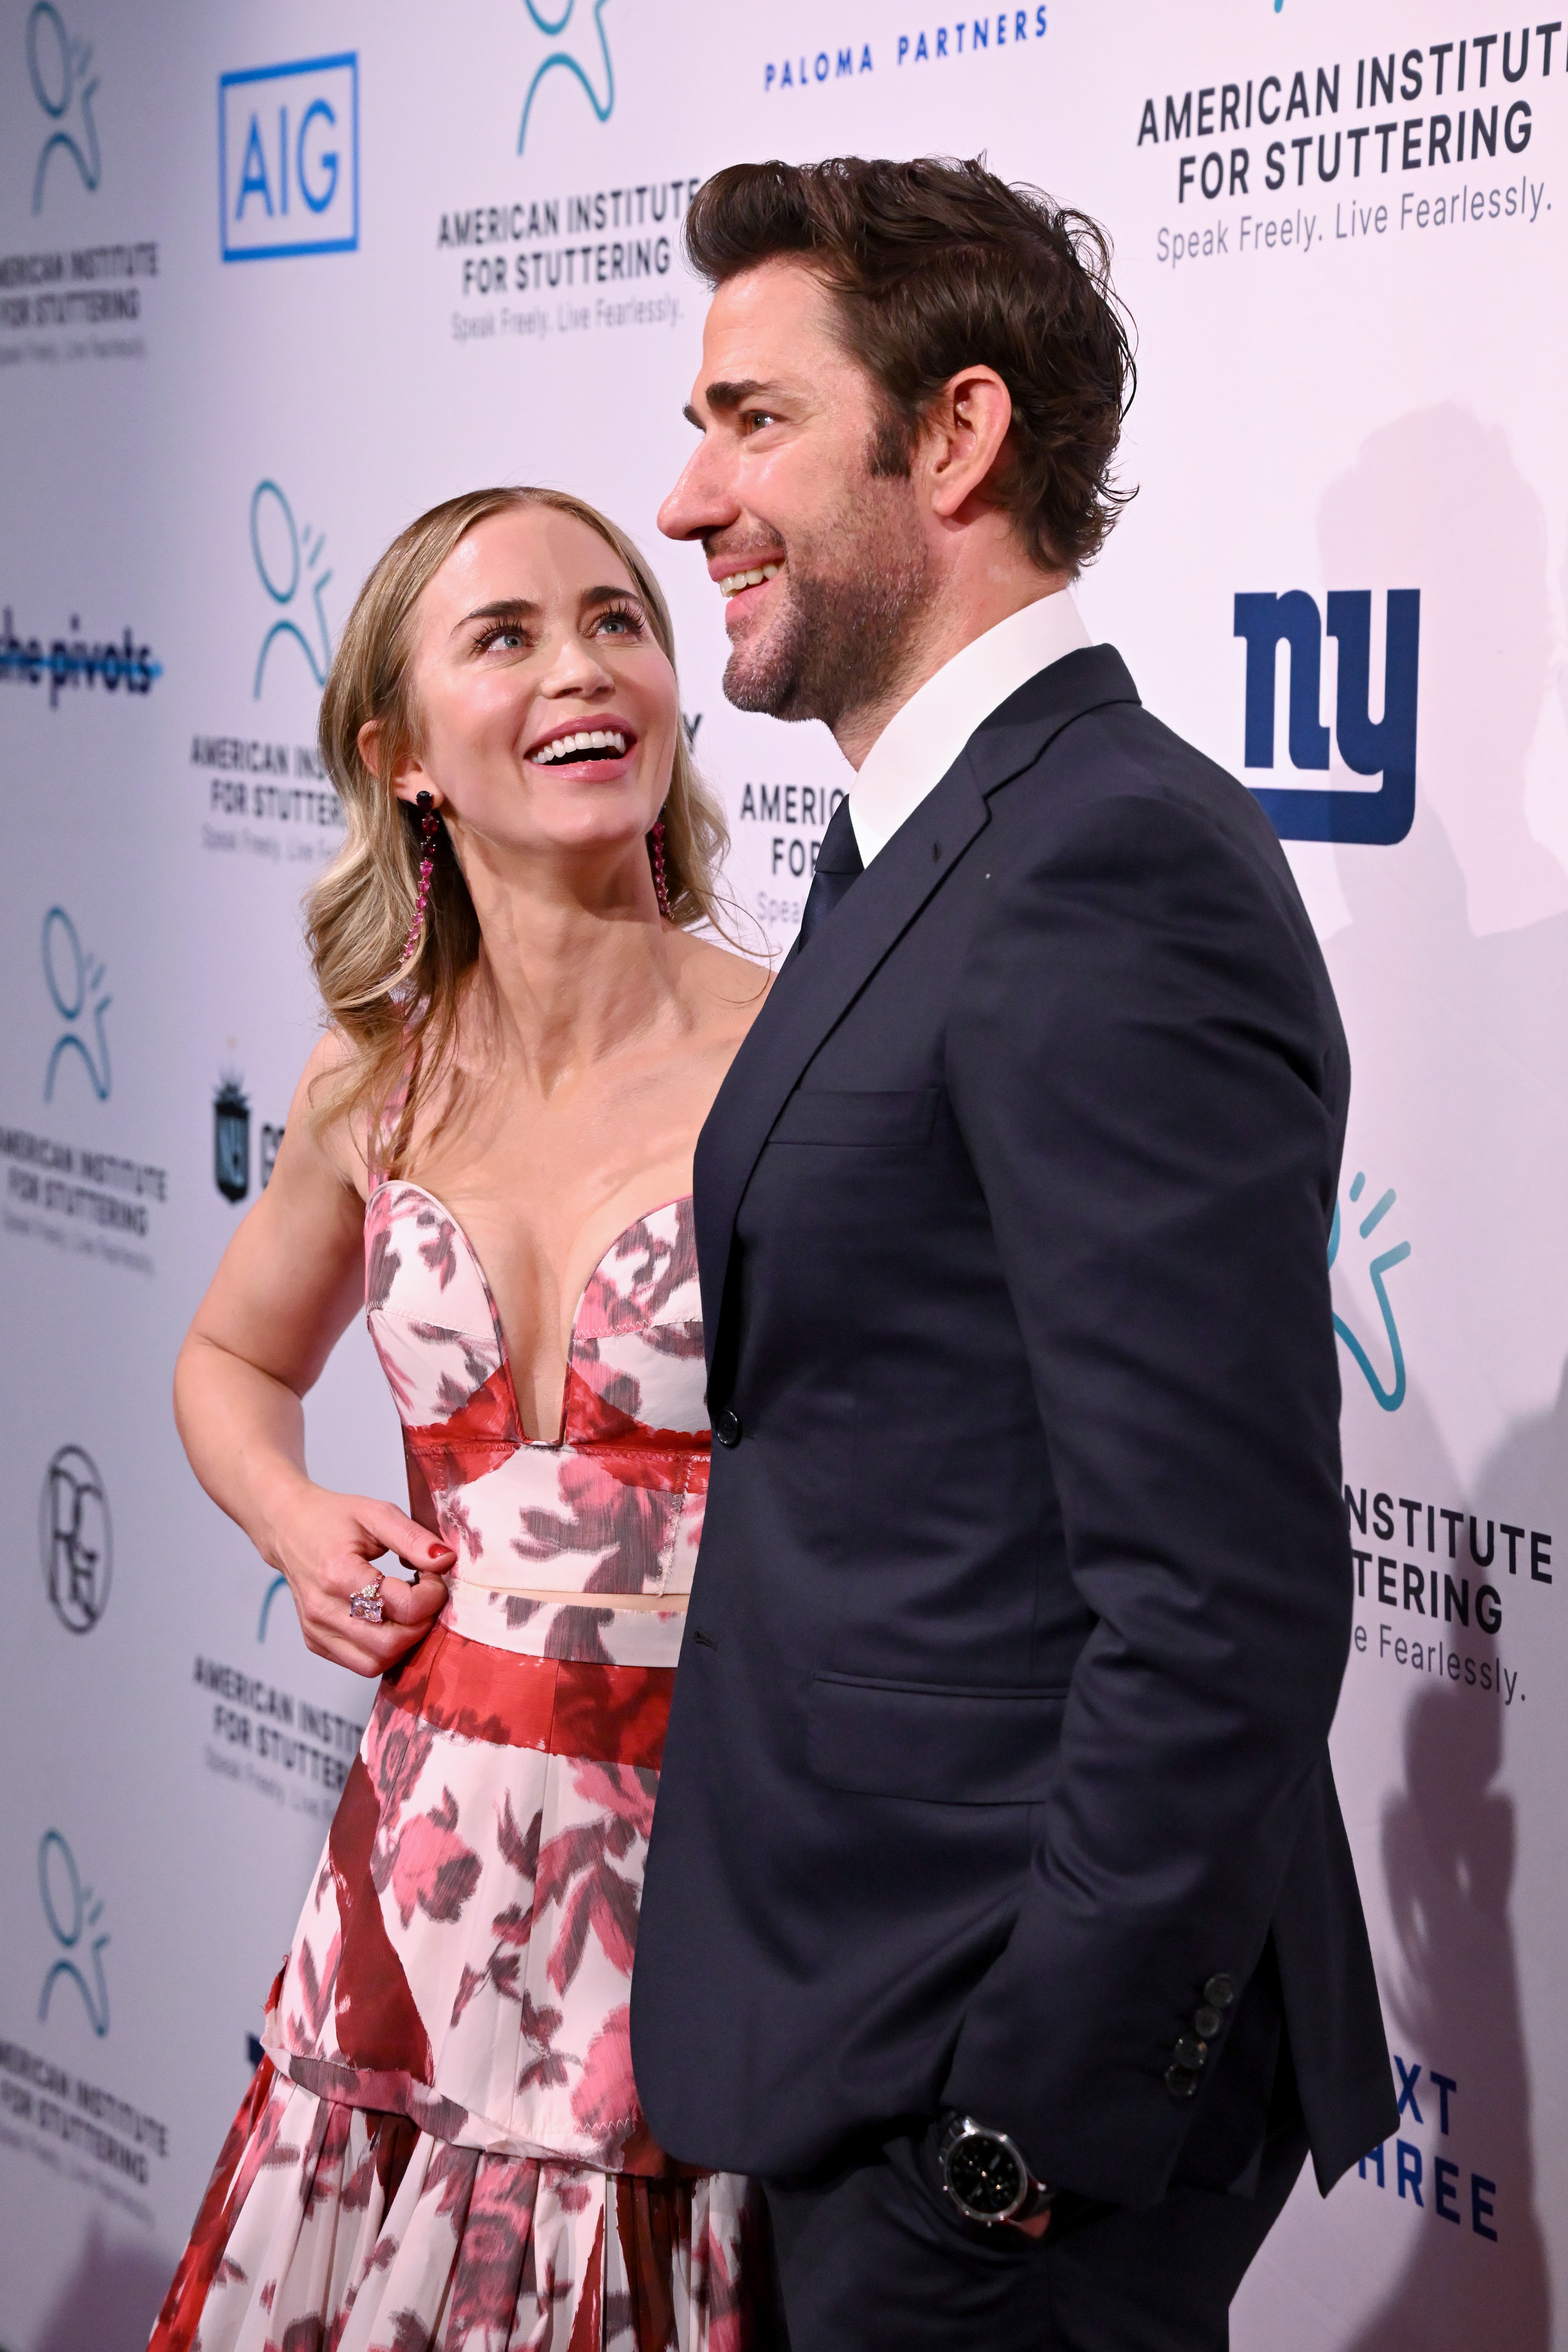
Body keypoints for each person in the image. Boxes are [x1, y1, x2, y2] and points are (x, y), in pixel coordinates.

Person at [629, 156, 1398, 2350]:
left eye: (757, 421)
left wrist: (1023, 2127)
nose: (689, 500)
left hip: (987, 2124)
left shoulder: (1103, 861)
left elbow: (1223, 1595)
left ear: (954, 434)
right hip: (855, 2031)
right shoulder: (923, 845)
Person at [151, 486, 774, 2351]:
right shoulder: (377, 1081)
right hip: (416, 1872)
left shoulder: (800, 1055)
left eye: (616, 620)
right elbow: (228, 1360)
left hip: (714, 1859)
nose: (582, 669)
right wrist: (295, 1520)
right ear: (401, 756)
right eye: (506, 637)